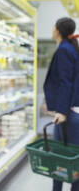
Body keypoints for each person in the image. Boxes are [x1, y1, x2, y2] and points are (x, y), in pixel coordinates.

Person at [42, 17, 79, 191]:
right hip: (71, 111)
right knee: (72, 161)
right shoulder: (70, 48)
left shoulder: (64, 50)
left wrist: (62, 111)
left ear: (57, 30)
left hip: (68, 114)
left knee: (62, 160)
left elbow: (65, 82)